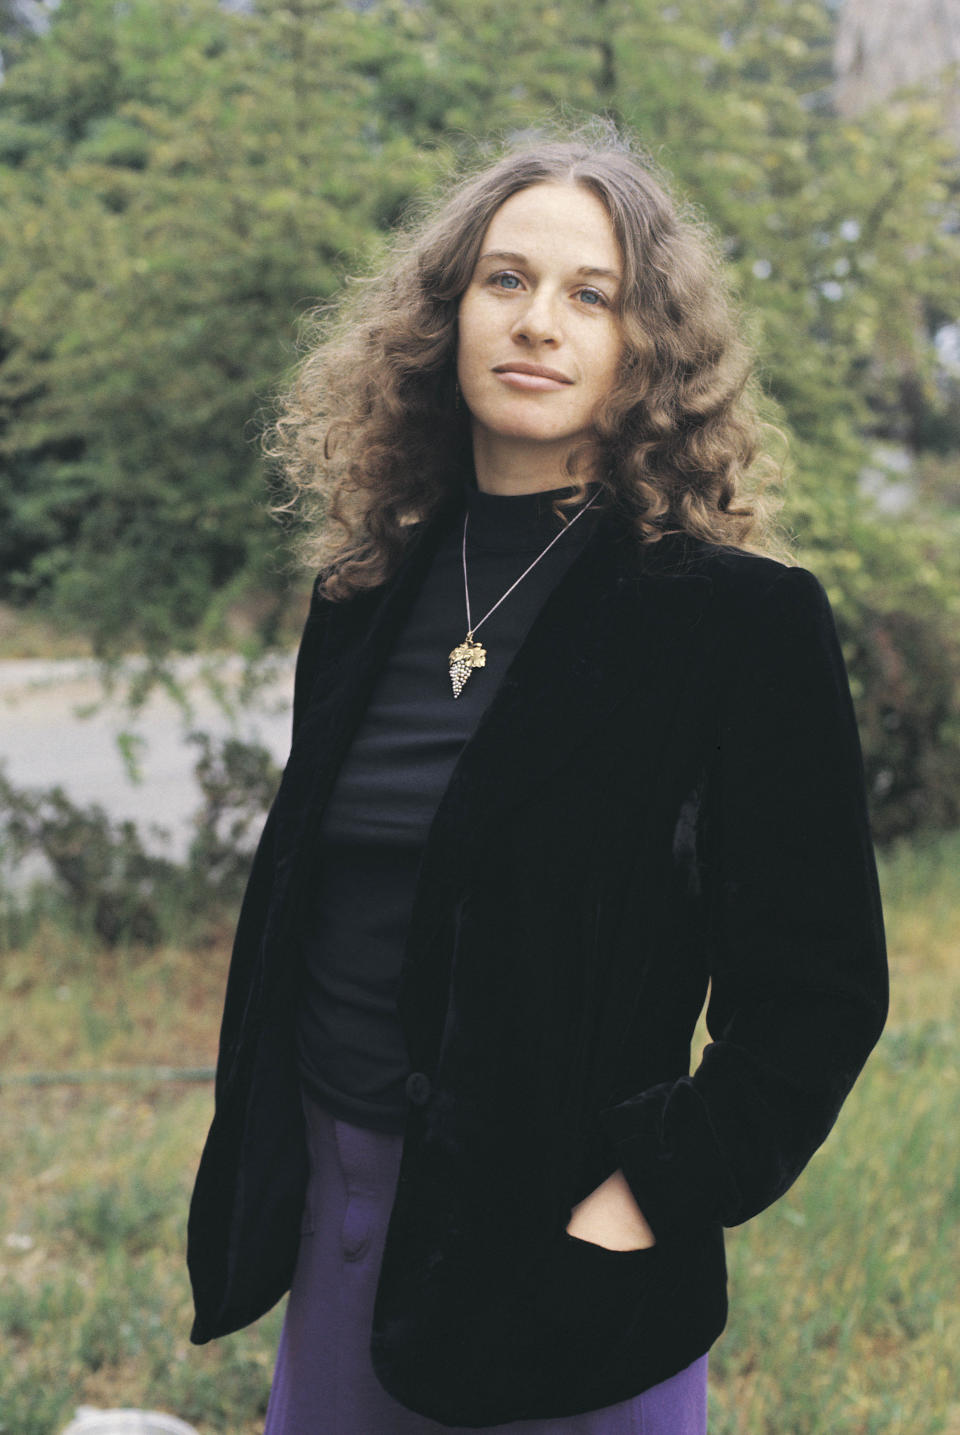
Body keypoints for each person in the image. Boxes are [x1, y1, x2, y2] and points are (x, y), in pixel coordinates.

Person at [187, 126, 888, 1434]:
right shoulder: (366, 595)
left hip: (570, 1246)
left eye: (592, 293)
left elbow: (819, 992)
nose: (539, 322)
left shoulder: (737, 625)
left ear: (647, 348)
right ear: (445, 318)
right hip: (341, 1219)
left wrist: (641, 1203)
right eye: (504, 281)